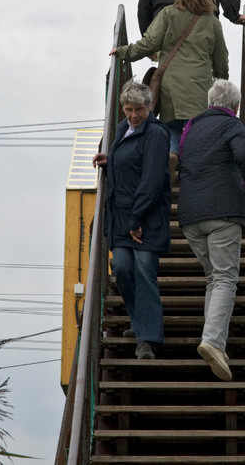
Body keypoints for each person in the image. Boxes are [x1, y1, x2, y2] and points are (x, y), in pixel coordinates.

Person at [177, 79, 245, 380]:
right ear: (236, 106)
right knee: (226, 278)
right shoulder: (233, 125)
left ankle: (214, 340)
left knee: (214, 279)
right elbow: (244, 157)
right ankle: (213, 341)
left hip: (190, 215)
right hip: (223, 211)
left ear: (209, 102)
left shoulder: (191, 127)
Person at [114, 0, 229, 178]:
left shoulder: (168, 13)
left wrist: (124, 52)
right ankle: (195, 174)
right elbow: (221, 58)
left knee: (173, 127)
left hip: (170, 84)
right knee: (195, 131)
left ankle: (172, 154)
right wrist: (222, 83)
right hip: (200, 86)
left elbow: (149, 43)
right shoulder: (212, 21)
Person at [92, 80, 170, 360]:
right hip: (121, 216)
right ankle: (140, 323)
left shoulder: (157, 134)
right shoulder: (123, 129)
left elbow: (151, 179)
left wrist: (137, 219)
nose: (133, 115)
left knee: (145, 270)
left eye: (138, 109)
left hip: (146, 217)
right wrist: (108, 160)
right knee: (122, 268)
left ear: (149, 107)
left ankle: (146, 341)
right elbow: (125, 161)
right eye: (128, 110)